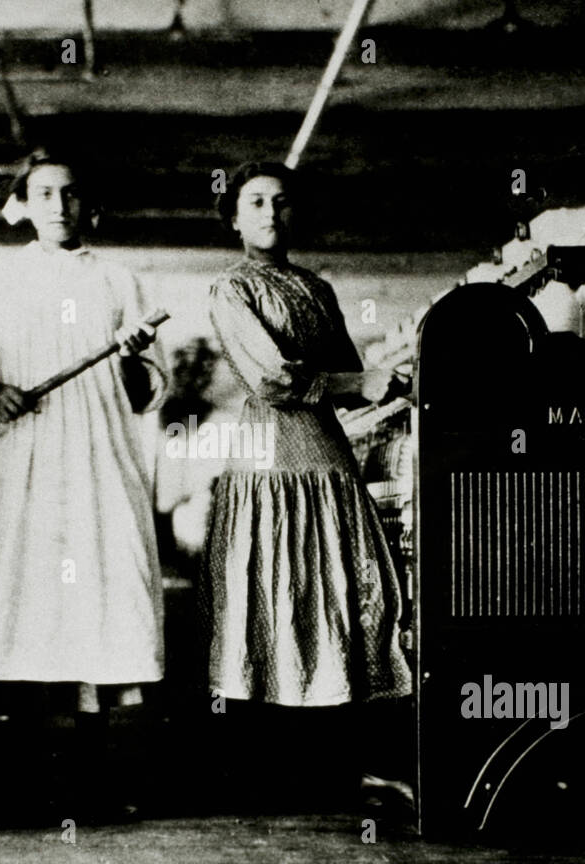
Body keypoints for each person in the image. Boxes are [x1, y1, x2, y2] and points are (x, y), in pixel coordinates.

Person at [0, 148, 166, 821]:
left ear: (88, 204)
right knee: (25, 596)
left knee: (103, 598)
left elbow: (142, 392)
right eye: (43, 192)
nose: (57, 204)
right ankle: (25, 771)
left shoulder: (120, 279)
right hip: (26, 458)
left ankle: (100, 776)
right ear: (22, 202)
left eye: (70, 193)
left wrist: (132, 360)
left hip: (101, 459)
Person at [200, 161, 413, 811]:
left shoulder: (317, 287)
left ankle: (338, 770)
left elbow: (350, 372)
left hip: (330, 465)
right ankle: (266, 775)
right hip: (272, 465)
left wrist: (398, 375)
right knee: (274, 607)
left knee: (341, 603)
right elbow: (275, 380)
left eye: (281, 202)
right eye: (256, 202)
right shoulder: (231, 287)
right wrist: (360, 381)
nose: (270, 212)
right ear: (234, 217)